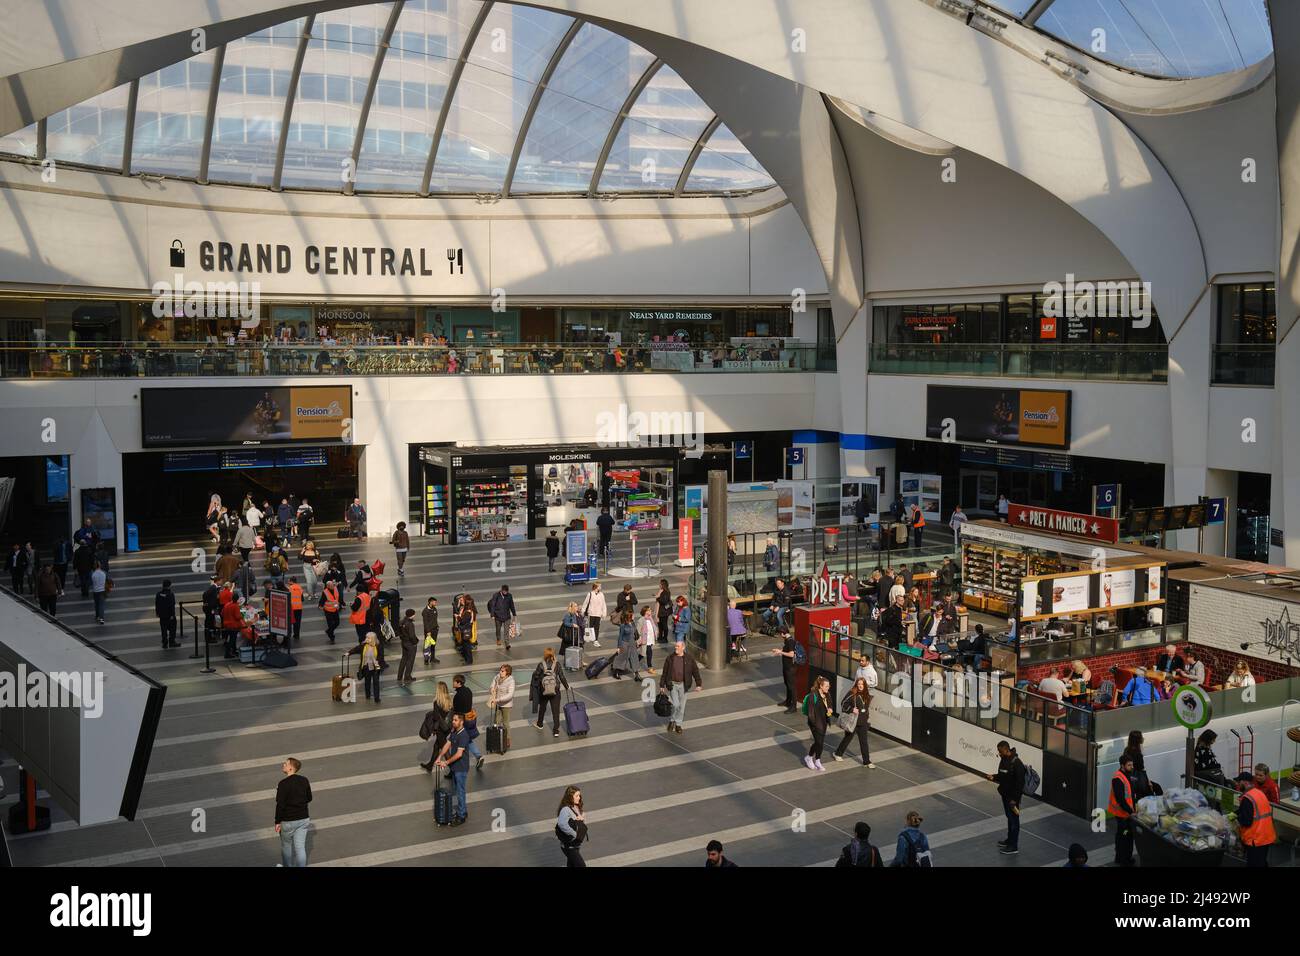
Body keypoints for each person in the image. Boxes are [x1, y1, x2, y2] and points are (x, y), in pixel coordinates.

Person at [989, 740, 1027, 855]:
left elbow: (1020, 784)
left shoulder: (1017, 763)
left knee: (1014, 821)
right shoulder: (1004, 760)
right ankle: (1009, 840)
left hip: (1012, 799)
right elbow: (1002, 776)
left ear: (1006, 750)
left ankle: (1013, 846)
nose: (999, 753)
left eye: (1000, 751)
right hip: (1005, 795)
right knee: (1010, 819)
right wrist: (994, 777)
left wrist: (1014, 800)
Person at [435, 713, 472, 826]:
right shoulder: (454, 732)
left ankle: (461, 816)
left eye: (455, 720)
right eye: (453, 720)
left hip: (461, 768)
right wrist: (439, 756)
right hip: (455, 767)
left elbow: (459, 754)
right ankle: (463, 811)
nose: (453, 722)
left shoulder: (464, 735)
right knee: (458, 790)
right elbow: (448, 744)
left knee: (460, 792)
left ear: (461, 722)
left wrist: (445, 762)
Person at [274, 757, 312, 867]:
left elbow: (280, 805)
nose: (283, 765)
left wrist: (277, 821)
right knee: (300, 847)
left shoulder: (283, 784)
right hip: (303, 819)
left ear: (291, 768)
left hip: (288, 821)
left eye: (285, 764)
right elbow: (309, 798)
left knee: (286, 846)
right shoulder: (304, 780)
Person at [660, 640, 703, 735]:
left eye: (678, 647)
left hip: (684, 685)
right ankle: (672, 720)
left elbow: (695, 671)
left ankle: (678, 724)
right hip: (673, 684)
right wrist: (662, 685)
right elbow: (665, 672)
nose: (676, 648)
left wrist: (698, 684)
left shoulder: (689, 658)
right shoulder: (670, 658)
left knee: (682, 707)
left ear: (683, 648)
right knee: (675, 704)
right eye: (675, 646)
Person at [1235, 772, 1277, 866]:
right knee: (1261, 862)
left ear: (1245, 783)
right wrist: (1236, 812)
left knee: (1254, 864)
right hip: (1266, 836)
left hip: (1255, 839)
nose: (1237, 784)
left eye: (1239, 782)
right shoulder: (1258, 793)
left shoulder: (1247, 798)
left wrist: (1236, 819)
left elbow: (1246, 821)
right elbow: (1255, 810)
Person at [832, 677, 875, 768]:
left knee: (864, 742)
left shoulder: (866, 695)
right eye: (858, 684)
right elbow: (843, 704)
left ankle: (866, 762)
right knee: (847, 739)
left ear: (865, 686)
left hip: (862, 722)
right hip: (853, 722)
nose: (860, 686)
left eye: (862, 684)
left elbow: (865, 708)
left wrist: (867, 719)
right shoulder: (852, 693)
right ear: (856, 684)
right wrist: (852, 709)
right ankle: (837, 753)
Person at [531, 647, 570, 737]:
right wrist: (567, 686)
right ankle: (556, 730)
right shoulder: (557, 664)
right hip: (555, 690)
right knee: (555, 711)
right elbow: (562, 676)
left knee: (543, 707)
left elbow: (536, 676)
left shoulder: (541, 664)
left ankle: (540, 724)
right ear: (553, 654)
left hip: (544, 690)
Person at [419, 682, 454, 771]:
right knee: (436, 746)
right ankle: (430, 765)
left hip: (440, 729)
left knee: (444, 749)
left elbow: (435, 717)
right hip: (447, 728)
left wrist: (434, 729)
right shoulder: (449, 700)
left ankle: (453, 769)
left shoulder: (437, 702)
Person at [451, 674, 484, 768]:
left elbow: (456, 711)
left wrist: (454, 724)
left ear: (458, 683)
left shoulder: (458, 695)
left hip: (462, 720)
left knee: (459, 740)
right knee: (467, 739)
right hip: (470, 717)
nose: (453, 683)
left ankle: (458, 761)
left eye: (454, 681)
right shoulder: (468, 691)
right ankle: (478, 756)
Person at [1109, 754, 1137, 865]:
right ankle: (1125, 860)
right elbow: (1120, 799)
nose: (1132, 767)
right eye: (1129, 765)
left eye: (1132, 764)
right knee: (1125, 837)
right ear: (1122, 765)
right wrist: (1131, 812)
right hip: (1122, 815)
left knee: (1123, 836)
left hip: (1125, 814)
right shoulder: (1118, 778)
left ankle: (1121, 858)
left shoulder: (1125, 775)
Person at [803, 675, 833, 772]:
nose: (828, 688)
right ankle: (810, 757)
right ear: (821, 686)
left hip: (823, 722)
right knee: (819, 742)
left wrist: (830, 709)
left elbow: (830, 705)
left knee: (819, 743)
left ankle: (817, 760)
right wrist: (814, 724)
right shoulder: (813, 695)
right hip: (815, 723)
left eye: (828, 686)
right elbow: (811, 712)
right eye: (826, 686)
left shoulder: (827, 694)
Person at [555, 785, 588, 867]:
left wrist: (581, 818)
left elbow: (577, 824)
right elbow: (562, 824)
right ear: (570, 797)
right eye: (576, 796)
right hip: (569, 847)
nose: (579, 797)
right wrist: (574, 834)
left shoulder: (575, 807)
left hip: (575, 845)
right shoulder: (565, 809)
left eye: (579, 795)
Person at [487, 663, 515, 753]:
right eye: (500, 670)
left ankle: (507, 739)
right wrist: (492, 688)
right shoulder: (498, 677)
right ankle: (497, 737)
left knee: (506, 722)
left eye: (502, 671)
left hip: (506, 704)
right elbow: (493, 683)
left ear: (507, 672)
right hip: (498, 703)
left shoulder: (511, 681)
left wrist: (498, 699)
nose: (500, 672)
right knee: (496, 721)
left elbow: (510, 695)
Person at [772, 628, 798, 713]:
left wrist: (781, 653)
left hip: (790, 668)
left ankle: (793, 706)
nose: (780, 636)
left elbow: (791, 654)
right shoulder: (787, 640)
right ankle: (788, 701)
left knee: (792, 687)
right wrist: (779, 650)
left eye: (780, 634)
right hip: (787, 667)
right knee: (787, 684)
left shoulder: (790, 641)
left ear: (783, 633)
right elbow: (786, 650)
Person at [487, 584, 517, 650]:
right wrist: (492, 615)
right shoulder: (496, 595)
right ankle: (498, 639)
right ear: (502, 590)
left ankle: (507, 644)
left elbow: (512, 605)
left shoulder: (509, 596)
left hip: (507, 616)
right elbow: (493, 605)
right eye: (504, 591)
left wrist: (514, 614)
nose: (506, 593)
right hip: (498, 616)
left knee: (506, 631)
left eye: (507, 591)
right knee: (498, 629)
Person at [395, 608, 419, 686]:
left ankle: (399, 676)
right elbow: (412, 636)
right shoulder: (410, 624)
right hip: (410, 644)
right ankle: (407, 677)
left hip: (404, 643)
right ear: (411, 615)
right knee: (410, 661)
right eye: (414, 614)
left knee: (403, 659)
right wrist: (416, 642)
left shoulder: (401, 622)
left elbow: (398, 632)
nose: (415, 615)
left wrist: (402, 638)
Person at [154, 578, 179, 648]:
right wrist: (172, 615)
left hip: (162, 615)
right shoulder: (170, 594)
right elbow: (172, 605)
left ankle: (164, 643)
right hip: (169, 615)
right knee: (172, 629)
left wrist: (157, 613)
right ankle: (172, 642)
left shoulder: (158, 594)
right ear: (169, 586)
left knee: (163, 629)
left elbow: (157, 604)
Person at [581, 581, 607, 647]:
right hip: (591, 613)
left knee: (597, 627)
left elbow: (603, 604)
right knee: (590, 626)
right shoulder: (590, 594)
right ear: (596, 587)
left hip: (598, 614)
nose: (600, 587)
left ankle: (595, 640)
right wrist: (583, 611)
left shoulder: (601, 594)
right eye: (599, 586)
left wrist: (604, 613)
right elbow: (586, 603)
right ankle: (589, 637)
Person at [359, 632, 382, 703]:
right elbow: (356, 649)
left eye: (368, 638)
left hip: (375, 667)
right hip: (366, 667)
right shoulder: (364, 646)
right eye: (366, 637)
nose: (366, 639)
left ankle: (377, 698)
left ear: (372, 639)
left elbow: (381, 657)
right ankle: (368, 695)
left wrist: (378, 664)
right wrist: (349, 653)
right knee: (367, 682)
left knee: (376, 683)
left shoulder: (378, 646)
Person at [454, 593, 477, 664]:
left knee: (467, 646)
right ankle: (466, 658)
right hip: (465, 630)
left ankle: (469, 660)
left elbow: (463, 621)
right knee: (465, 645)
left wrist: (457, 617)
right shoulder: (467, 610)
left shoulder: (468, 612)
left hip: (466, 630)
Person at [638, 605, 658, 672]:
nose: (650, 611)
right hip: (645, 640)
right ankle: (650, 668)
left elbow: (654, 627)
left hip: (651, 639)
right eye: (649, 610)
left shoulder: (650, 619)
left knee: (642, 654)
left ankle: (634, 661)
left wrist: (656, 633)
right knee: (649, 653)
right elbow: (638, 631)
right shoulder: (641, 620)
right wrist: (639, 640)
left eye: (650, 610)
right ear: (645, 611)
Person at [422, 596, 440, 664]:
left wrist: (437, 627)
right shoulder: (425, 611)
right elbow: (425, 623)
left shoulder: (434, 609)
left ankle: (432, 658)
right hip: (429, 632)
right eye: (435, 602)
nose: (436, 603)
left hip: (435, 630)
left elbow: (435, 619)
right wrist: (428, 631)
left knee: (433, 645)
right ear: (430, 602)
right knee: (427, 646)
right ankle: (426, 660)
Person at [655, 578, 673, 644]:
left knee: (664, 625)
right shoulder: (662, 591)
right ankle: (660, 636)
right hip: (662, 611)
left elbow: (664, 601)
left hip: (664, 612)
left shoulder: (666, 592)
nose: (659, 585)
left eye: (660, 584)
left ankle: (665, 638)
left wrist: (657, 597)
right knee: (660, 625)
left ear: (663, 585)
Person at [90, 560, 107, 625]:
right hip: (102, 591)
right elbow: (108, 579)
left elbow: (91, 582)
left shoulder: (93, 574)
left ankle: (97, 616)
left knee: (96, 604)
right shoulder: (104, 573)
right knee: (101, 605)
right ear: (100, 565)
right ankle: (102, 618)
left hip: (95, 591)